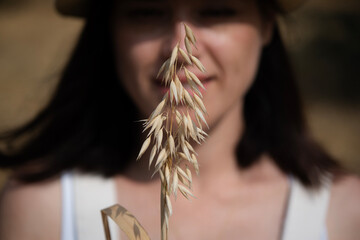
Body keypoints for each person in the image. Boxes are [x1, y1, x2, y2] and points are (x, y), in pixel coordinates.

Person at [0, 0, 359, 239]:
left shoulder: (345, 214)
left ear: (266, 24)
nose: (180, 50)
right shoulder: (42, 209)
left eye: (216, 9)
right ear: (108, 30)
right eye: (146, 11)